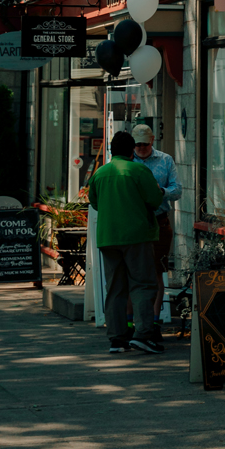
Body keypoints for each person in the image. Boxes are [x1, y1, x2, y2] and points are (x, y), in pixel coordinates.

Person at [88, 129, 166, 355]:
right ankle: (143, 335)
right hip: (136, 236)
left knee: (114, 288)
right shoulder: (138, 170)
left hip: (108, 237)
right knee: (142, 284)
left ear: (112, 150)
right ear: (132, 149)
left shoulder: (100, 173)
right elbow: (154, 200)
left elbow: (94, 203)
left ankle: (116, 338)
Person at [132, 121, 180, 296]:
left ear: (152, 140)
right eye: (138, 144)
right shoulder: (127, 160)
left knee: (157, 271)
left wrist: (161, 191)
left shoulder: (165, 160)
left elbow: (178, 190)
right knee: (134, 272)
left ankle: (155, 318)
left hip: (159, 221)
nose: (142, 148)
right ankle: (131, 319)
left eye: (146, 143)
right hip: (134, 223)